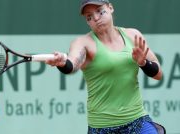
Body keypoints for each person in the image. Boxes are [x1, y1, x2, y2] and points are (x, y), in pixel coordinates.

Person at [46, 0, 166, 133]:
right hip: (102, 127)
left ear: (110, 8)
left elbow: (158, 74)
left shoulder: (133, 35)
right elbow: (71, 65)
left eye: (99, 11)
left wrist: (143, 63)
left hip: (137, 120)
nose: (96, 18)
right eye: (89, 17)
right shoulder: (83, 43)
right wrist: (62, 63)